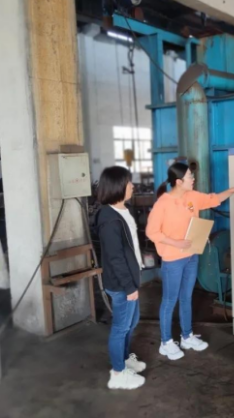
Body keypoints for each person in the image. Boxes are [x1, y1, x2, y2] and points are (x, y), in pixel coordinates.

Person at [146, 162, 234, 360]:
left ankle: (187, 336)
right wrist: (175, 242)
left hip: (191, 255)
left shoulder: (191, 197)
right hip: (173, 259)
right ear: (178, 182)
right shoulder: (163, 203)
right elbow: (152, 232)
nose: (193, 179)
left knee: (186, 297)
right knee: (169, 300)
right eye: (190, 177)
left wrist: (233, 190)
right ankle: (166, 342)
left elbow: (213, 199)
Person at [95, 166, 146, 390]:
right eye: (128, 183)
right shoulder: (109, 219)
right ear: (117, 186)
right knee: (120, 327)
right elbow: (115, 258)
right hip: (121, 284)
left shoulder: (124, 210)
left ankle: (124, 360)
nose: (132, 186)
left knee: (131, 323)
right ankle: (117, 373)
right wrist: (129, 286)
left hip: (130, 279)